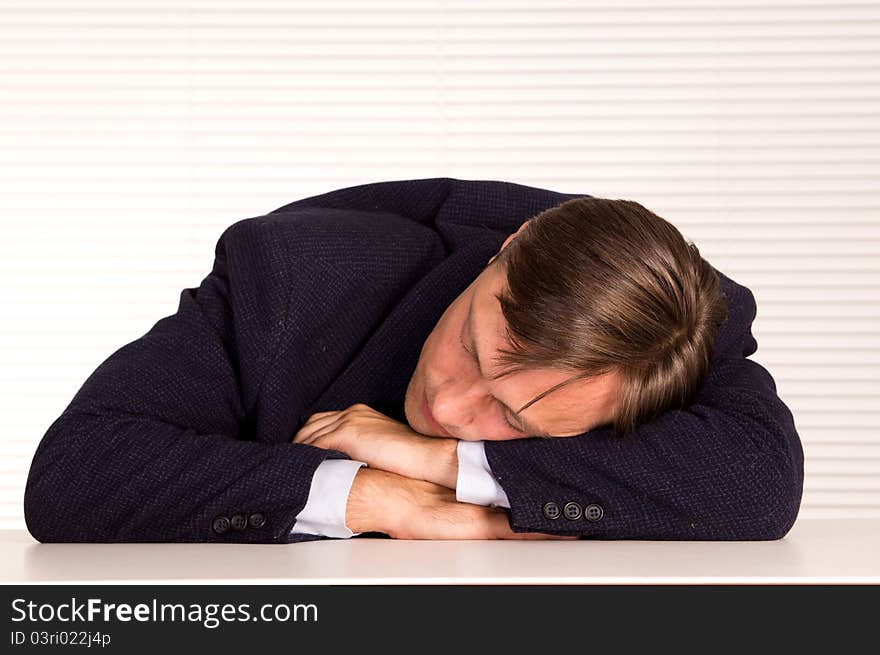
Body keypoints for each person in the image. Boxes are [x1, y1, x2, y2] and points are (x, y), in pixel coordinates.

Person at [23, 177, 804, 543]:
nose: (455, 407)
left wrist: (437, 460)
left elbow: (760, 482)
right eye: (470, 347)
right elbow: (74, 473)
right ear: (508, 249)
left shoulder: (680, 332)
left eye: (512, 417)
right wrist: (384, 499)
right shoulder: (292, 277)